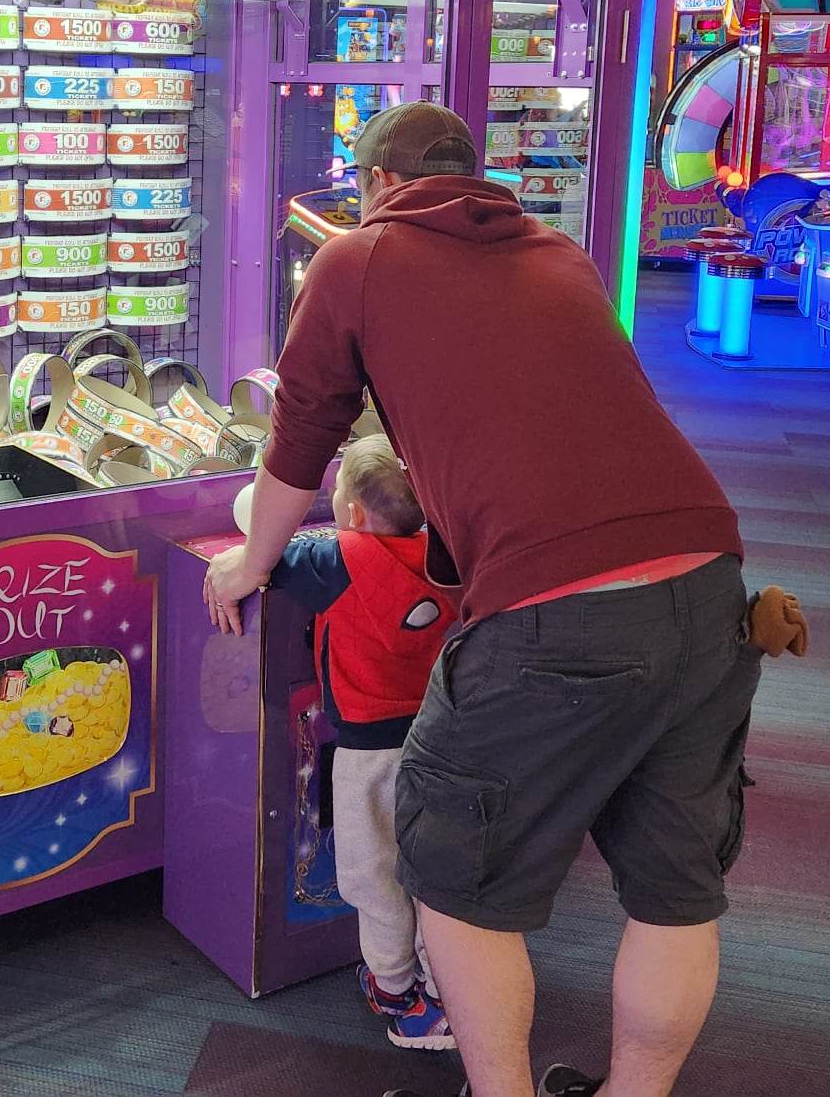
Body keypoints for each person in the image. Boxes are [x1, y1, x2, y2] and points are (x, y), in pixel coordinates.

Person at [204, 103, 756, 1097]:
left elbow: (299, 437)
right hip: (707, 575)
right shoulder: (558, 251)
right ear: (474, 173)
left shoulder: (357, 258)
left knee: (456, 883)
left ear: (374, 184)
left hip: (556, 602)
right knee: (675, 892)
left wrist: (249, 562)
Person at [237, 434, 459, 1053]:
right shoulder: (446, 552)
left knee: (374, 876)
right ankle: (452, 987)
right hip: (439, 741)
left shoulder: (336, 560)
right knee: (432, 872)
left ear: (354, 514)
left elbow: (258, 527)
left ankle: (396, 995)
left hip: (366, 752)